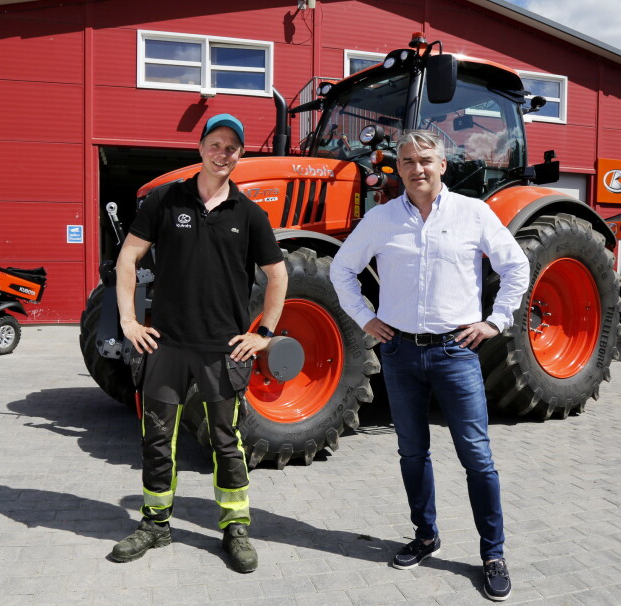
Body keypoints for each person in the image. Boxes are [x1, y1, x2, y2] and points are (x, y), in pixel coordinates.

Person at [330, 130, 529, 601]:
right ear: (396, 169)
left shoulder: (473, 213)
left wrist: (495, 322)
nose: (416, 168)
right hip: (399, 352)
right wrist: (365, 318)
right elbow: (342, 269)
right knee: (412, 453)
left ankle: (493, 552)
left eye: (424, 159)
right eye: (406, 161)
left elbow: (516, 266)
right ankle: (425, 535)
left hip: (456, 352)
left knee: (476, 457)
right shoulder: (380, 219)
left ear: (443, 164)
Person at [111, 113, 288, 573]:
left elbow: (278, 274)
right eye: (215, 143)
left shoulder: (249, 214)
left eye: (232, 147)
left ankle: (235, 527)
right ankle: (155, 523)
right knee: (157, 438)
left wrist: (263, 333)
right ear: (201, 148)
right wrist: (129, 319)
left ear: (240, 155)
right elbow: (128, 255)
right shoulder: (167, 200)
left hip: (223, 350)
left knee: (227, 441)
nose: (222, 152)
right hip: (164, 346)